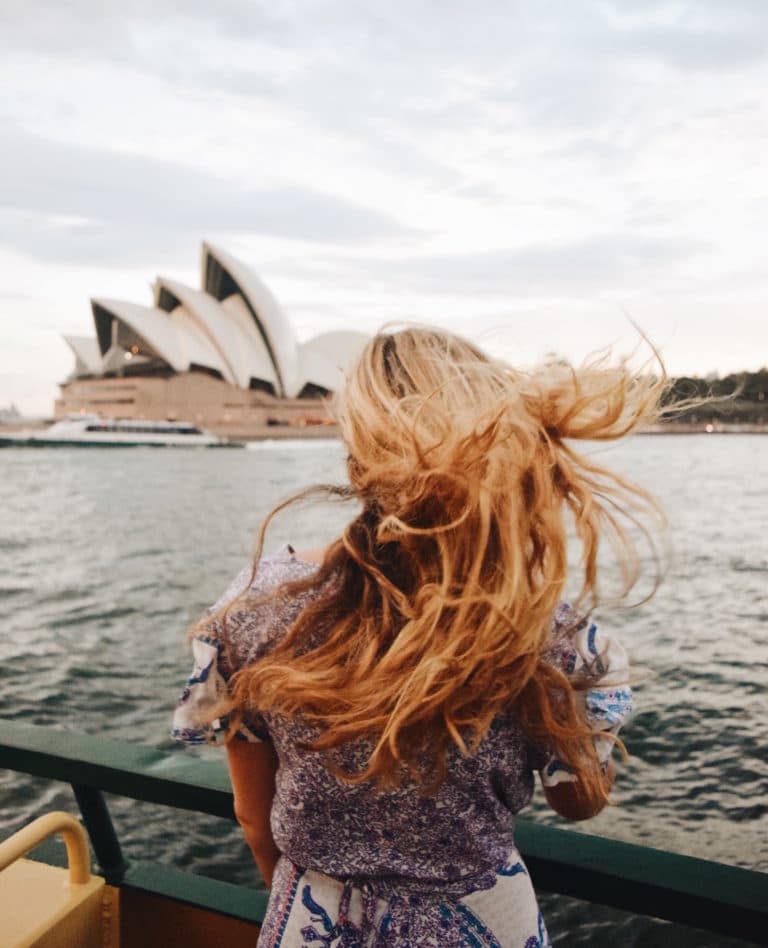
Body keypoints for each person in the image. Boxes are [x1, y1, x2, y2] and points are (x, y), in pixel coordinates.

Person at [172, 327, 664, 947]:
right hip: (486, 925)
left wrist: (300, 903)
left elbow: (253, 814)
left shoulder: (256, 605)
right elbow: (576, 802)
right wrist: (596, 704)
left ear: (357, 459)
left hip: (316, 918)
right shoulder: (545, 630)